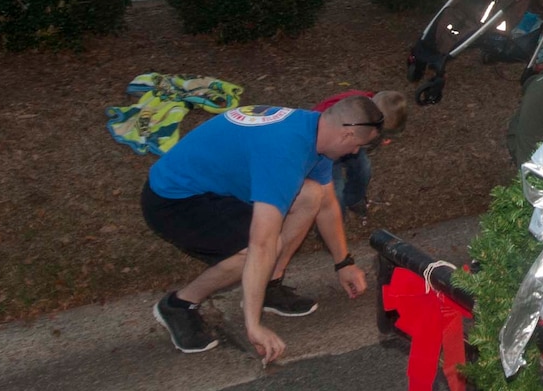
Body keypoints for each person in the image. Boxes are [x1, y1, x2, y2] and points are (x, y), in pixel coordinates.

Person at [141, 98, 380, 358]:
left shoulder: (315, 131)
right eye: (358, 145)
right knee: (258, 250)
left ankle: (268, 286)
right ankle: (179, 304)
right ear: (346, 133)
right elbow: (262, 244)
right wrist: (253, 327)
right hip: (172, 200)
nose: (356, 152)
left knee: (312, 195)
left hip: (214, 188)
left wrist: (343, 262)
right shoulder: (285, 152)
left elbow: (326, 204)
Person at [313, 88, 410, 218]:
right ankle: (335, 219)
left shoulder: (370, 106)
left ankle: (354, 199)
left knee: (363, 169)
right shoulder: (346, 116)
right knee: (335, 187)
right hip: (325, 145)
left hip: (351, 140)